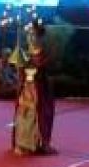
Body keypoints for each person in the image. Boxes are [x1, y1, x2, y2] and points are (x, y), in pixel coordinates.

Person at [10, 21, 55, 156]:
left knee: (37, 115)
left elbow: (43, 70)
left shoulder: (44, 54)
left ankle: (37, 142)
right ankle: (22, 142)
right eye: (29, 35)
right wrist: (20, 67)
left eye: (33, 35)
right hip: (26, 89)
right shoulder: (25, 53)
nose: (30, 38)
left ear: (40, 37)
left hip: (38, 89)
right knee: (23, 114)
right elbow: (20, 71)